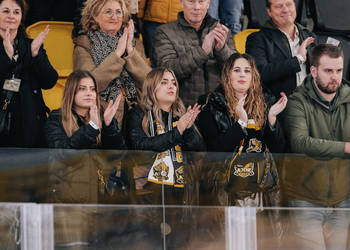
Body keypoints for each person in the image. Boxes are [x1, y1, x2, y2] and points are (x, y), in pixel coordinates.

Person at [283, 44, 350, 250]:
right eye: (328, 71)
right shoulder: (297, 101)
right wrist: (345, 148)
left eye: (338, 70)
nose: (335, 77)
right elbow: (300, 142)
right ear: (313, 71)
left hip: (342, 197)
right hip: (306, 198)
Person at [73, 0, 151, 126]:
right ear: (95, 16)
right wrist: (117, 55)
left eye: (118, 12)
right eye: (108, 11)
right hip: (101, 117)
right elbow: (90, 84)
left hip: (138, 115)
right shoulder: (83, 45)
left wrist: (130, 52)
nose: (114, 17)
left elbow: (150, 83)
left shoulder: (135, 44)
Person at [125, 67, 204, 189]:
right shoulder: (138, 113)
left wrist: (188, 130)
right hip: (147, 190)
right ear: (151, 87)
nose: (171, 86)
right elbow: (139, 147)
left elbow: (199, 153)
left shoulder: (181, 115)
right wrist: (178, 132)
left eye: (173, 83)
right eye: (164, 82)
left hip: (181, 190)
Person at [197, 53, 287, 153]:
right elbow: (213, 149)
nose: (242, 74)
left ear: (253, 77)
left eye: (247, 71)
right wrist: (241, 123)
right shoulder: (209, 103)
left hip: (260, 168)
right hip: (226, 168)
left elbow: (278, 149)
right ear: (228, 75)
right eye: (236, 70)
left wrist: (272, 118)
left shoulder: (266, 102)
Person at [152, 0, 236, 107]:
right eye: (191, 1)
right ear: (181, 3)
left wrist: (222, 50)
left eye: (201, 1)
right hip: (182, 108)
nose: (197, 7)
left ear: (208, 4)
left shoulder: (220, 30)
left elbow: (236, 70)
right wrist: (202, 52)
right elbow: (166, 71)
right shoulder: (164, 32)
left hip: (220, 108)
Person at [0, 0, 58, 147]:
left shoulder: (30, 45)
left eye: (16, 12)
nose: (11, 16)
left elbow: (50, 81)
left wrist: (35, 55)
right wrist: (7, 58)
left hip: (32, 124)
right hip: (5, 124)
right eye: (6, 11)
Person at [246, 0, 317, 98]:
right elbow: (258, 74)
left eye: (289, 4)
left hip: (311, 102)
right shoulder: (257, 39)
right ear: (269, 11)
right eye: (279, 6)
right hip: (280, 105)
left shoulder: (309, 35)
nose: (285, 10)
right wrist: (298, 59)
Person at [45, 70, 124, 149]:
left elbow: (116, 155)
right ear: (71, 92)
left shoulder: (102, 116)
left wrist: (109, 127)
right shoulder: (56, 118)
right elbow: (62, 155)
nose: (89, 93)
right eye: (82, 89)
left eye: (93, 89)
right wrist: (92, 127)